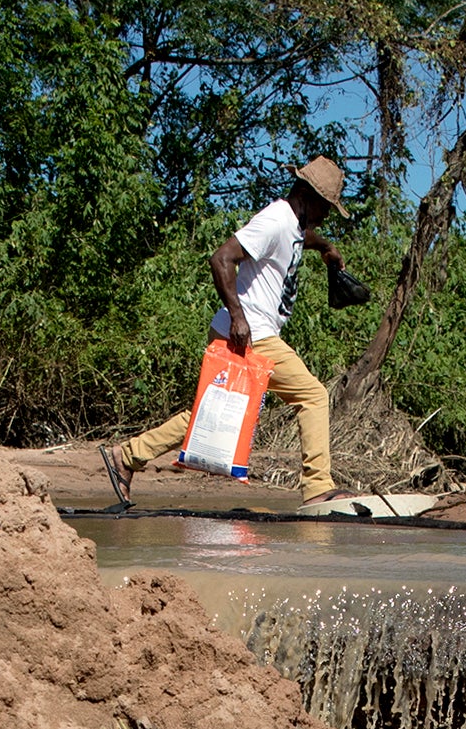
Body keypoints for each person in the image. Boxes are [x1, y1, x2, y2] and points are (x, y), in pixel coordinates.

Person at [111, 157, 353, 502]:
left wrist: (325, 246)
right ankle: (318, 487)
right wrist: (239, 317)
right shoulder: (275, 219)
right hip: (250, 333)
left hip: (246, 332)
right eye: (326, 206)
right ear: (306, 193)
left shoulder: (293, 225)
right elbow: (221, 258)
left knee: (219, 413)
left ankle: (129, 455)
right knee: (313, 395)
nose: (327, 213)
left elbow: (301, 236)